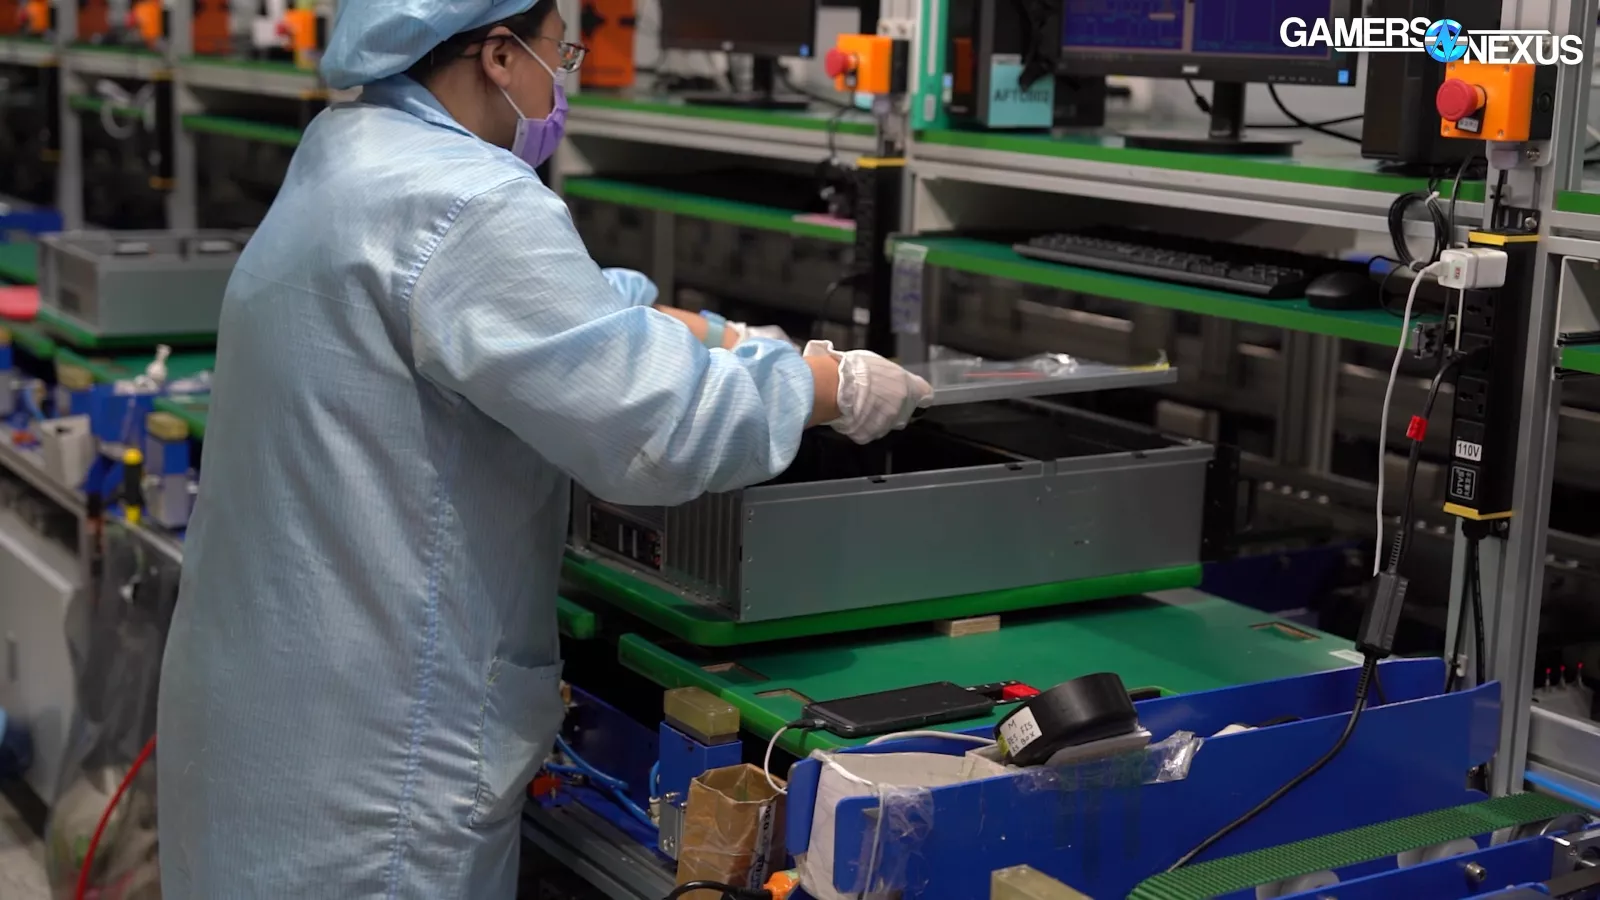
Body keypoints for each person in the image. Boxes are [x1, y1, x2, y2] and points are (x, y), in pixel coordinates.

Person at [154, 1, 932, 897]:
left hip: (266, 706)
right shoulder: (472, 201)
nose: (564, 78)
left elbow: (563, 312)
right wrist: (830, 385)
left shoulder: (352, 148)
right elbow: (660, 425)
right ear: (498, 55)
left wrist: (731, 336)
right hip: (376, 760)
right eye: (562, 51)